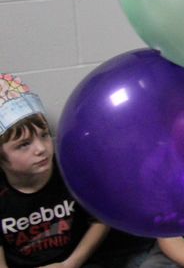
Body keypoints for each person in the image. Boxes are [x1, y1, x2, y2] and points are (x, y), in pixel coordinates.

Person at [0, 75, 109, 268]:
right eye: (24, 145)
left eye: (44, 135)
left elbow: (101, 220)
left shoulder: (70, 171)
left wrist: (70, 264)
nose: (41, 148)